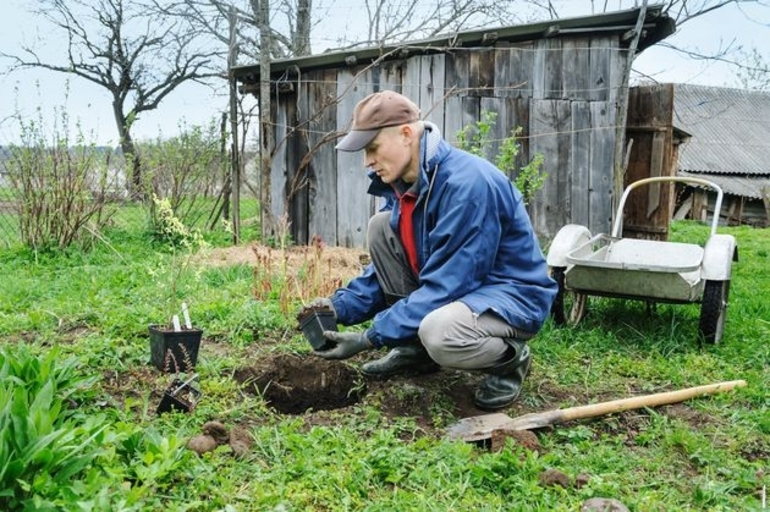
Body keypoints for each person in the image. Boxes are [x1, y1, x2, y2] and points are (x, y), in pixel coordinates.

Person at [300, 90, 557, 410]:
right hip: (461, 288)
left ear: (407, 134)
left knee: (439, 332)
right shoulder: (405, 184)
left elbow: (448, 286)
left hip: (510, 295)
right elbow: (389, 270)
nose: (367, 161)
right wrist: (339, 307)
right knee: (381, 226)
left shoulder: (466, 186)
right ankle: (414, 349)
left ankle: (510, 360)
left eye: (373, 148)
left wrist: (370, 337)